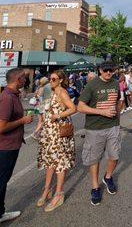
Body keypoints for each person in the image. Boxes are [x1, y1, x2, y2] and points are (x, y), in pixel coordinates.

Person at [0, 68, 33, 227]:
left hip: (7, 148)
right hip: (1, 151)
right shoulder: (6, 99)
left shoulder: (11, 95)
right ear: (18, 79)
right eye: (24, 78)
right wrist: (22, 121)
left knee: (1, 184)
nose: (26, 81)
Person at [77, 61, 124, 206]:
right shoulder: (92, 85)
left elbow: (118, 101)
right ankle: (95, 187)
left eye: (111, 70)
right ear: (100, 70)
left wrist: (117, 115)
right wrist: (101, 112)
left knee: (115, 156)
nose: (108, 73)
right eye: (106, 70)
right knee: (94, 158)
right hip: (95, 128)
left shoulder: (116, 83)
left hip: (113, 126)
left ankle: (108, 177)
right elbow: (80, 107)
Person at [37, 70, 76, 211]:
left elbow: (73, 108)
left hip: (58, 133)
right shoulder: (52, 92)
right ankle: (47, 189)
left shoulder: (62, 92)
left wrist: (58, 115)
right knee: (49, 161)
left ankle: (58, 194)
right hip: (49, 133)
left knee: (59, 163)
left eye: (53, 79)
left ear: (60, 80)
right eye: (50, 79)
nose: (50, 81)